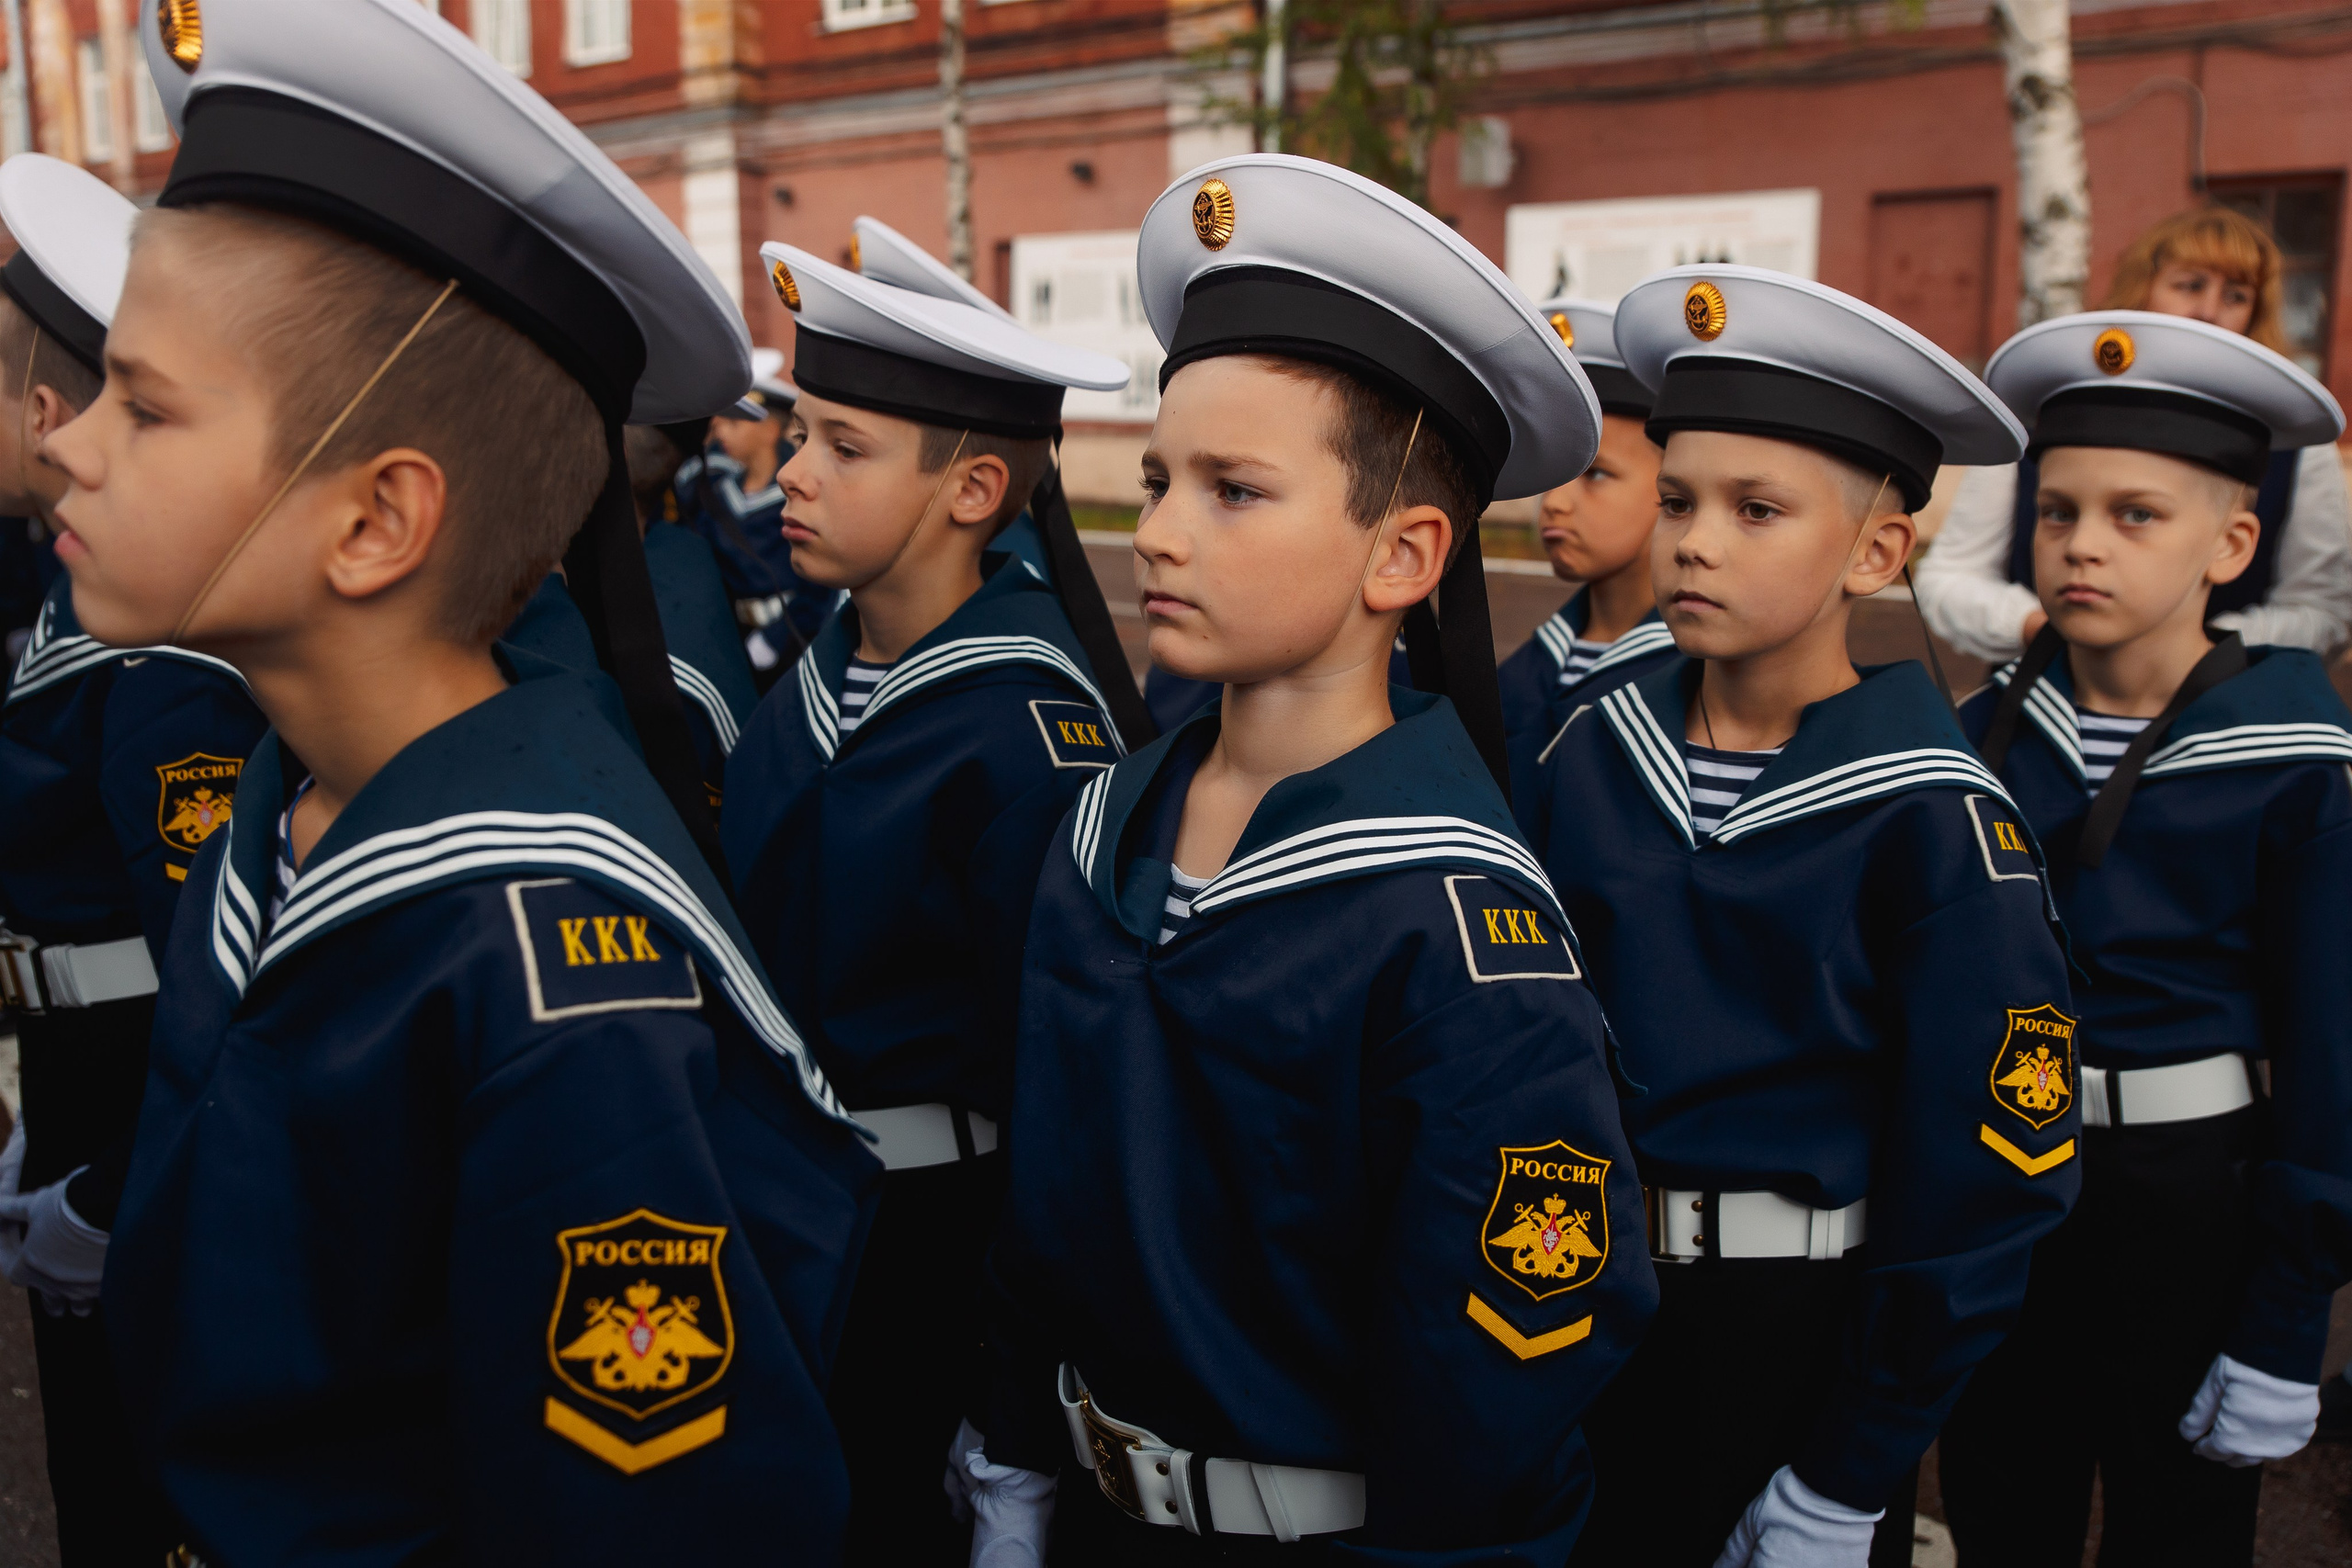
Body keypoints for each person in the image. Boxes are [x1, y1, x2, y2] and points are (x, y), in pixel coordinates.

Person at [66, 4, 879, 1559]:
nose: (76, 452)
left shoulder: (553, 966)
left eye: (144, 404)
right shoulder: (298, 795)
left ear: (376, 522)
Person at [971, 153, 1657, 1566]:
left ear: (1403, 554)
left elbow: (1504, 1360)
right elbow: (1048, 1189)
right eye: (1159, 477)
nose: (1155, 528)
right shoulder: (1106, 824)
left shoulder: (1456, 920)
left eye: (1234, 489)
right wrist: (1020, 1456)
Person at [1524, 266, 2079, 1568]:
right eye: (1675, 500)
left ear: (1878, 551)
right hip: (1577, 1286)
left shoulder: (1938, 818)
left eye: (1754, 508)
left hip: (1794, 1327)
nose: (1692, 540)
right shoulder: (1592, 746)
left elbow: (1988, 1180)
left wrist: (1853, 1465)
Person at [721, 241, 1131, 1562]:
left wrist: (1013, 1407)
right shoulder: (822, 671)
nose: (790, 470)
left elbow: (1065, 1091)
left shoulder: (1023, 721)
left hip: (931, 1254)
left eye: (842, 444)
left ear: (970, 487)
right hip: (793, 1227)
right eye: (797, 432)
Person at [1939, 311, 2352, 1566]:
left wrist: (2289, 1314)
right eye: (2057, 511)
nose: (2080, 546)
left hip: (2193, 1194)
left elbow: (2333, 1056)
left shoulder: (2300, 748)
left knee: (2182, 1521)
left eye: (2136, 515)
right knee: (2003, 1494)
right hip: (2005, 1184)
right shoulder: (1975, 736)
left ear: (2233, 543)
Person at [0, 151, 265, 1567]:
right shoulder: (71, 594)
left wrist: (112, 1189)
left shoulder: (156, 650)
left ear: (43, 413)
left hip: (139, 1093)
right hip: (83, 1073)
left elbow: (209, 968)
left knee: (139, 1492)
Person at [1917, 206, 2352, 660]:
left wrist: (2197, 651)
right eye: (2190, 285)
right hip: (2041, 695)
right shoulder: (2040, 420)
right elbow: (1951, 578)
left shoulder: (2296, 447)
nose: (2209, 312)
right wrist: (2046, 628)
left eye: (2236, 296)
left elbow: (2323, 612)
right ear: (2142, 288)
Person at [1498, 298, 1675, 745]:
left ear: (1673, 485)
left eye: (1595, 474)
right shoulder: (1527, 667)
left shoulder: (1699, 681)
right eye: (1555, 474)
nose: (1555, 502)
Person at [676, 348, 828, 674]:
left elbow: (821, 585)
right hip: (732, 635)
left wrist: (775, 639)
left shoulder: (801, 493)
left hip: (793, 640)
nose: (719, 431)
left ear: (770, 429)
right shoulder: (717, 489)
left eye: (734, 423)